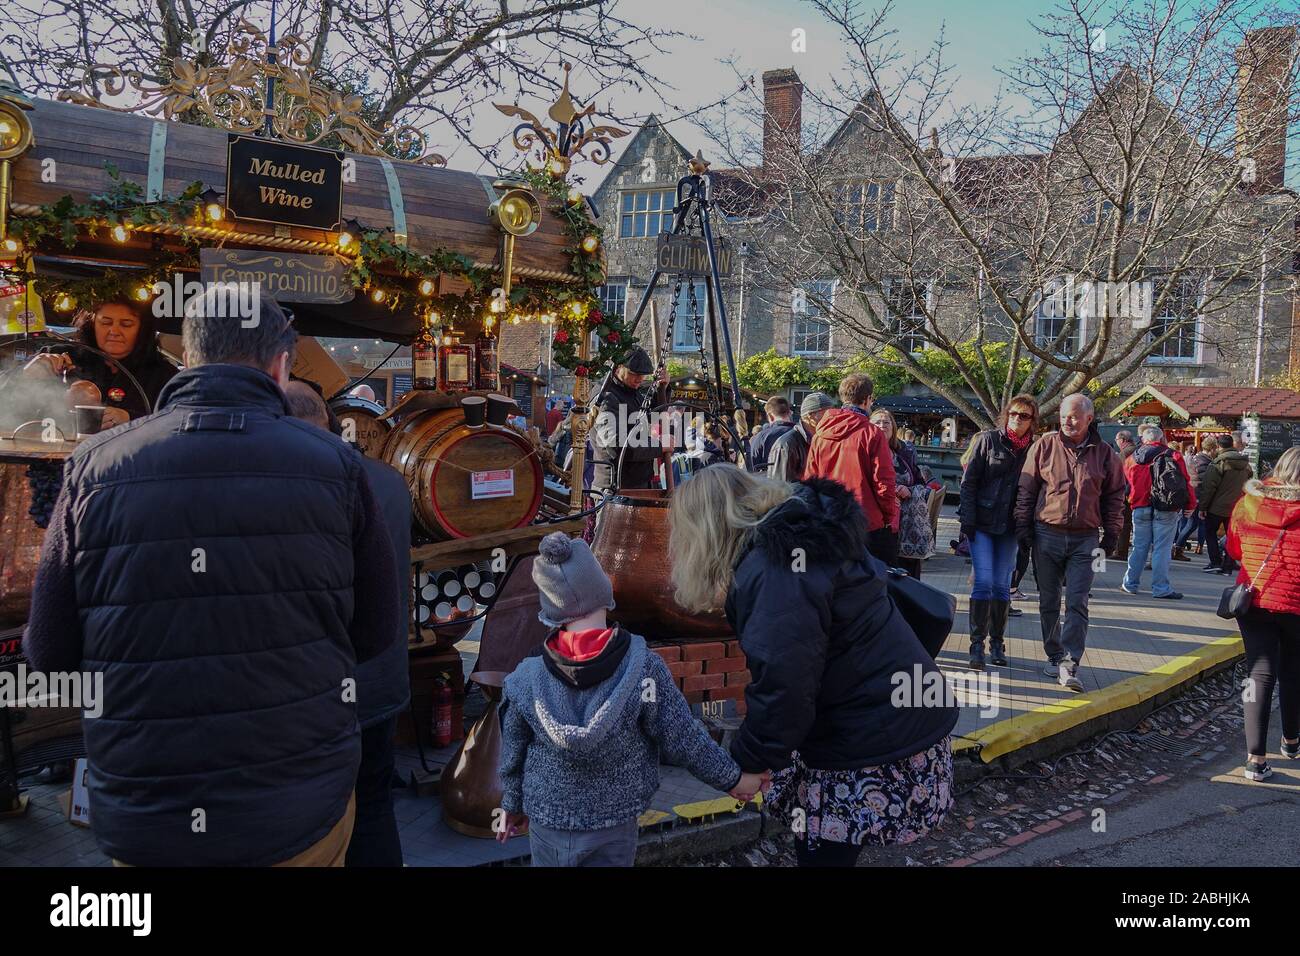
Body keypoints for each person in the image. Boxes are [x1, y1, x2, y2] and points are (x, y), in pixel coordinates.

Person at [22, 293, 400, 866]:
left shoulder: (94, 465)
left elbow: (49, 654)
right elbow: (375, 631)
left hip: (148, 809)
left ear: (189, 356)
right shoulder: (336, 465)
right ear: (280, 363)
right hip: (295, 804)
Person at [668, 466, 956, 867]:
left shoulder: (774, 568)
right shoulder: (804, 532)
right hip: (892, 715)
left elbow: (785, 686)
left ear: (706, 531)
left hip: (869, 735)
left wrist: (748, 763)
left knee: (823, 856)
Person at [496, 532, 764, 866]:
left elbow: (513, 752)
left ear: (552, 612)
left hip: (548, 819)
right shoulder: (643, 668)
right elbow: (682, 737)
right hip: (615, 821)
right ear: (604, 592)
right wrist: (734, 779)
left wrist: (512, 805)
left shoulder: (524, 678)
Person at [285, 381, 411, 867]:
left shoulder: (296, 482)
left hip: (322, 686)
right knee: (376, 804)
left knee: (320, 814)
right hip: (381, 678)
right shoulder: (388, 479)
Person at [1015, 394, 1125, 691]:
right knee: (1048, 600)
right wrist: (1023, 528)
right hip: (1046, 534)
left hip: (1085, 539)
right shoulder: (1044, 446)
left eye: (1075, 416)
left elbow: (1115, 496)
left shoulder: (1105, 454)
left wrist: (1112, 533)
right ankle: (1054, 654)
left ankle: (1070, 660)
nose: (1068, 420)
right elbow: (1026, 489)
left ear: (1089, 418)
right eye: (1064, 415)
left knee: (1077, 601)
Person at [1225, 447, 1300, 782]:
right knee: (1293, 671)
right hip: (1296, 603)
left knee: (1259, 674)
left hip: (1254, 600)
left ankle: (1255, 759)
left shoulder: (1248, 504)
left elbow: (1233, 548)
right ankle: (1291, 741)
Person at [958, 394, 1039, 669]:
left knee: (1002, 586)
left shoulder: (1034, 449)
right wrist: (967, 519)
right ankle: (976, 645)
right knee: (983, 582)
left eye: (1024, 415)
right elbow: (969, 483)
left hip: (1010, 526)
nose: (1017, 419)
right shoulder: (988, 440)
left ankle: (997, 643)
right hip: (982, 522)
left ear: (1032, 421)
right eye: (1014, 413)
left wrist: (1028, 526)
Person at [21, 299, 178, 427]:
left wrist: (132, 420)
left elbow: (178, 423)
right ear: (92, 325)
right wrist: (28, 374)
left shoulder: (163, 375)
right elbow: (8, 402)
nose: (114, 331)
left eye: (126, 324)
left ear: (142, 329)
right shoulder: (59, 354)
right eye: (106, 322)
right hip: (49, 460)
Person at [803, 373, 900, 565]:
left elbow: (809, 479)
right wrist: (888, 515)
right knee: (874, 582)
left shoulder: (820, 433)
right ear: (868, 399)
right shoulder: (872, 433)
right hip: (866, 521)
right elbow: (884, 481)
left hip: (829, 518)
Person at [1121, 425, 1196, 600]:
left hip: (1139, 506)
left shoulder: (1132, 458)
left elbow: (1124, 484)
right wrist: (1190, 505)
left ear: (1143, 439)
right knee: (1162, 549)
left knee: (1139, 547)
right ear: (1161, 439)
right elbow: (1185, 481)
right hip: (1166, 507)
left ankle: (1130, 583)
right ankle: (1161, 588)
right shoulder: (1174, 455)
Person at [591, 347, 669, 491]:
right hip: (617, 486)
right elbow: (617, 446)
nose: (639, 379)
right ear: (619, 367)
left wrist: (661, 390)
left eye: (643, 375)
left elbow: (651, 418)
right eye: (634, 374)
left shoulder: (632, 393)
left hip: (638, 483)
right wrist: (660, 447)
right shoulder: (606, 396)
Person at [870, 407, 932, 579]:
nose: (882, 425)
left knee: (907, 574)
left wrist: (909, 490)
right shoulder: (865, 451)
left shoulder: (905, 451)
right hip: (881, 522)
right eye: (877, 422)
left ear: (893, 427)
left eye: (886, 421)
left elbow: (921, 483)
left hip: (907, 524)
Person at [1201, 433, 1253, 575]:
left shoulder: (1219, 463)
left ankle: (1215, 562)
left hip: (1217, 506)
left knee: (1210, 532)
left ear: (1218, 446)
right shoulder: (1245, 464)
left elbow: (1209, 487)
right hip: (1237, 506)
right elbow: (1250, 480)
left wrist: (1203, 507)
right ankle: (1228, 566)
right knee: (1231, 536)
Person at [768, 392, 835, 483]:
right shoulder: (786, 445)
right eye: (826, 414)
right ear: (810, 416)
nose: (832, 418)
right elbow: (780, 486)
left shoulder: (822, 439)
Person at [1174, 440, 1214, 561]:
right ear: (1212, 449)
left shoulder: (1197, 460)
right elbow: (1202, 482)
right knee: (1192, 523)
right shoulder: (1204, 461)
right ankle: (1178, 548)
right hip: (1196, 495)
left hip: (1192, 494)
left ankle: (1178, 547)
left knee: (1190, 523)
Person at [748, 396, 795, 473]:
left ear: (770, 416)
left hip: (769, 482)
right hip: (799, 483)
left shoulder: (761, 437)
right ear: (789, 413)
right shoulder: (802, 434)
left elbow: (752, 467)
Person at [1113, 430, 1137, 560]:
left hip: (1125, 491)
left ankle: (1120, 551)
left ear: (1122, 440)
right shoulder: (1137, 450)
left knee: (1123, 521)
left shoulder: (1124, 453)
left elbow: (1117, 473)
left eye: (1117, 440)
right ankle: (1122, 550)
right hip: (1135, 491)